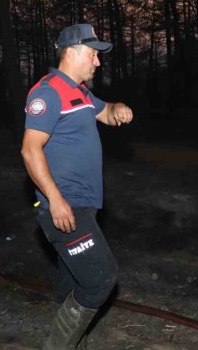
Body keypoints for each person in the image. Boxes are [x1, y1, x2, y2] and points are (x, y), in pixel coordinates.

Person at [21, 23, 133, 349]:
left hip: (83, 204)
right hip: (65, 206)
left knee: (73, 287)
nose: (97, 62)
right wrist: (55, 200)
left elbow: (106, 113)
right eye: (93, 55)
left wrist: (118, 110)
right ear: (72, 52)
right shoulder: (48, 92)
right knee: (101, 279)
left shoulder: (80, 92)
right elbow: (30, 149)